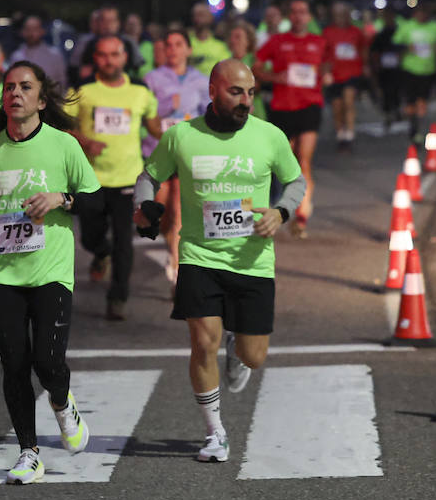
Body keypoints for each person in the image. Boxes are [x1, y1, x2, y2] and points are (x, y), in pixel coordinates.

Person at [134, 59, 305, 462]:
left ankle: (237, 344)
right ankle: (215, 433)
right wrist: (144, 205)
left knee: (253, 356)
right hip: (199, 256)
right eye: (235, 92)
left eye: (250, 93)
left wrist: (280, 212)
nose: (245, 101)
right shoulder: (181, 137)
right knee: (201, 343)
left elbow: (296, 181)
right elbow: (149, 176)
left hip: (253, 261)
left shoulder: (269, 136)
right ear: (212, 91)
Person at [0, 61, 101, 484]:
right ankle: (28, 452)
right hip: (2, 273)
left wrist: (62, 198)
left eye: (25, 87)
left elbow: (95, 203)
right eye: (8, 87)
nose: (15, 93)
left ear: (40, 99)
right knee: (14, 364)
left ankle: (61, 400)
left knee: (48, 360)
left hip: (51, 270)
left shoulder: (64, 146)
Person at [66, 35, 160, 319]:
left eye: (115, 54)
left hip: (128, 179)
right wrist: (85, 141)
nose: (110, 60)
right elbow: (62, 126)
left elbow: (155, 127)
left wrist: (181, 133)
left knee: (124, 241)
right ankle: (100, 251)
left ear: (124, 57)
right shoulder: (83, 90)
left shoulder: (140, 92)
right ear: (95, 58)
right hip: (91, 179)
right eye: (103, 55)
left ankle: (118, 297)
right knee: (90, 236)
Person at [254, 0, 327, 237]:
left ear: (309, 17)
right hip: (282, 107)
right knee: (287, 166)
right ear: (289, 17)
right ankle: (290, 205)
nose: (298, 17)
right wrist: (275, 77)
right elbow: (256, 67)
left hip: (310, 106)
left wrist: (327, 76)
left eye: (303, 12)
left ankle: (302, 217)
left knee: (304, 161)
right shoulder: (277, 41)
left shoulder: (319, 42)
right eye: (294, 13)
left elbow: (329, 65)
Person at [143, 30, 211, 283]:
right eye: (168, 45)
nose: (172, 49)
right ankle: (170, 238)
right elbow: (145, 115)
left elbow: (209, 113)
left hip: (187, 153)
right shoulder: (151, 79)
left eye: (178, 44)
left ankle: (176, 264)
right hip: (157, 150)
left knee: (179, 209)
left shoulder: (202, 80)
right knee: (161, 210)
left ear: (188, 50)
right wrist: (165, 108)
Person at [393, 3, 436, 142]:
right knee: (410, 101)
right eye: (418, 13)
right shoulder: (406, 27)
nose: (421, 16)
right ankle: (413, 123)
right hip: (410, 69)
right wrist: (406, 48)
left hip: (428, 70)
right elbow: (395, 44)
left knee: (422, 100)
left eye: (424, 13)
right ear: (414, 14)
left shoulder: (435, 27)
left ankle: (419, 126)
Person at [321, 2, 367, 151]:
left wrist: (365, 66)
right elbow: (324, 54)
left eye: (342, 14)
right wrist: (325, 72)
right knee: (337, 107)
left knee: (349, 101)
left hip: (352, 72)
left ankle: (350, 134)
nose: (340, 17)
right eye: (337, 14)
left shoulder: (356, 32)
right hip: (334, 74)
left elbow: (363, 49)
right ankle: (341, 133)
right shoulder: (328, 32)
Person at [8, 15, 67, 89]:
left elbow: (62, 82)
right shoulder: (16, 57)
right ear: (22, 32)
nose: (31, 33)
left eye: (35, 29)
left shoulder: (54, 55)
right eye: (28, 29)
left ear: (42, 31)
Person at [370, 11, 402, 131]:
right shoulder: (381, 34)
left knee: (397, 90)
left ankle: (397, 110)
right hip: (385, 68)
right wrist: (376, 64)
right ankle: (388, 113)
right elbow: (374, 51)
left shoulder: (399, 32)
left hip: (397, 68)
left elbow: (403, 47)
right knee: (386, 91)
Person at [188, 3, 231, 76]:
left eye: (201, 15)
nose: (198, 18)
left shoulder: (221, 45)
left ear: (210, 18)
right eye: (195, 15)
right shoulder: (185, 42)